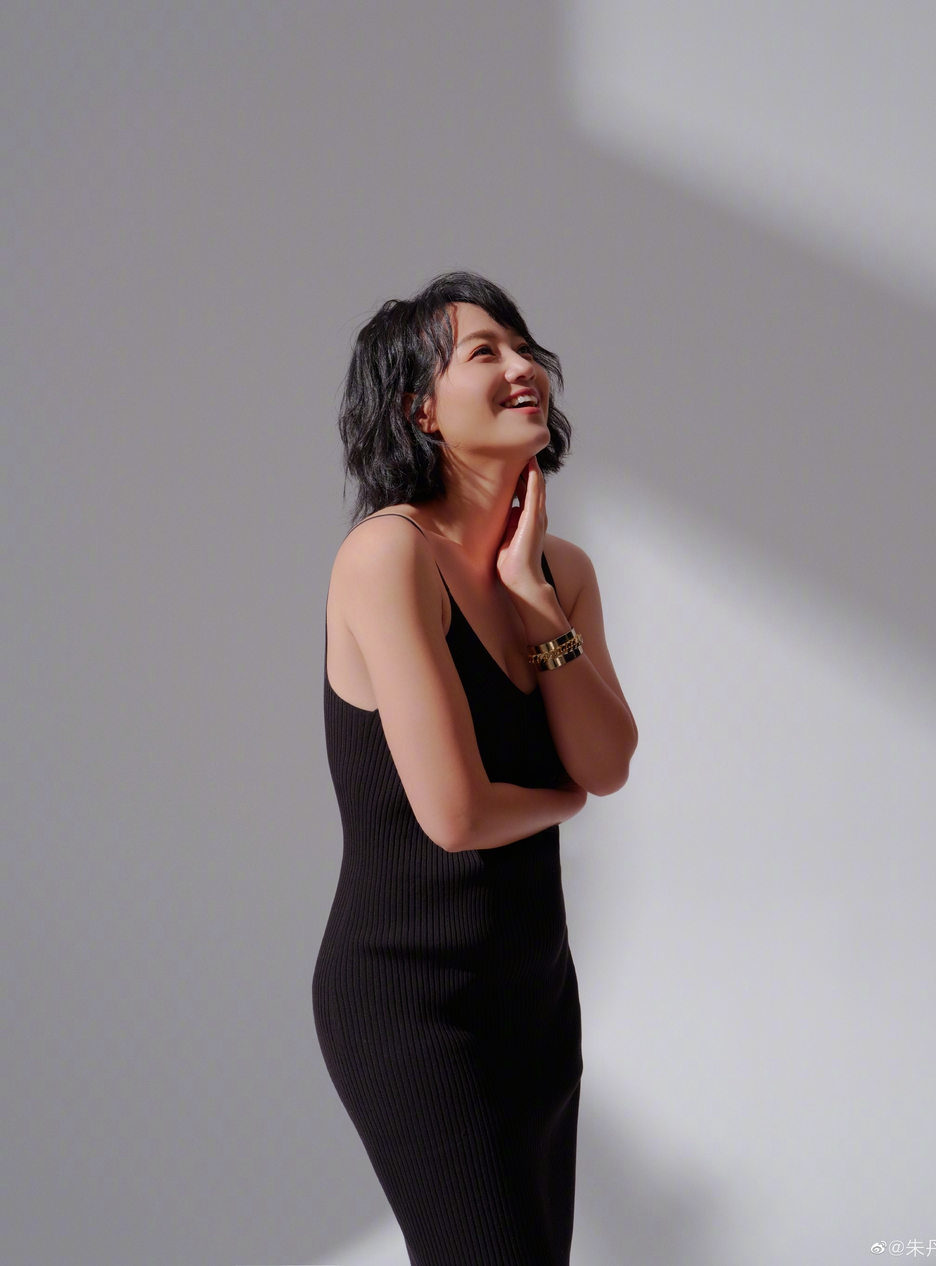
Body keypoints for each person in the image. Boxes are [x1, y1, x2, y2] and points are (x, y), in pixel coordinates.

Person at [313, 271, 638, 1265]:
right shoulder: (387, 556)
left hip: (536, 998)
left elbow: (606, 760)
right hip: (413, 1006)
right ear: (421, 407)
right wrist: (563, 797)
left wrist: (530, 598)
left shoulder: (561, 572)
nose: (521, 366)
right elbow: (454, 815)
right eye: (483, 352)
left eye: (523, 347)